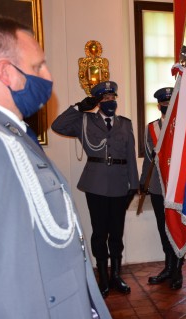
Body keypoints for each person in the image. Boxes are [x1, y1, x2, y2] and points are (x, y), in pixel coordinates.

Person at [0, 17, 111, 319]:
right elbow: (2, 274)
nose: (48, 76)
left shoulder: (14, 134)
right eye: (38, 67)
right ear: (6, 72)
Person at [51, 80, 139, 297]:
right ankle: (103, 278)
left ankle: (116, 275)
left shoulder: (125, 124)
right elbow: (57, 126)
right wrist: (79, 107)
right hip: (96, 183)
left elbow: (130, 155)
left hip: (120, 183)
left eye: (112, 98)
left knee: (116, 232)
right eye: (105, 98)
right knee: (100, 232)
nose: (110, 101)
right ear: (98, 102)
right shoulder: (84, 120)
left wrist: (134, 185)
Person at [139, 87, 186, 290]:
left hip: (180, 186)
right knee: (163, 228)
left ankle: (178, 269)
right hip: (158, 186)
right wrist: (142, 182)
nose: (166, 106)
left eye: (170, 103)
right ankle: (168, 267)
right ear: (159, 106)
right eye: (164, 104)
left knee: (178, 226)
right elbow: (149, 159)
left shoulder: (184, 126)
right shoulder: (151, 128)